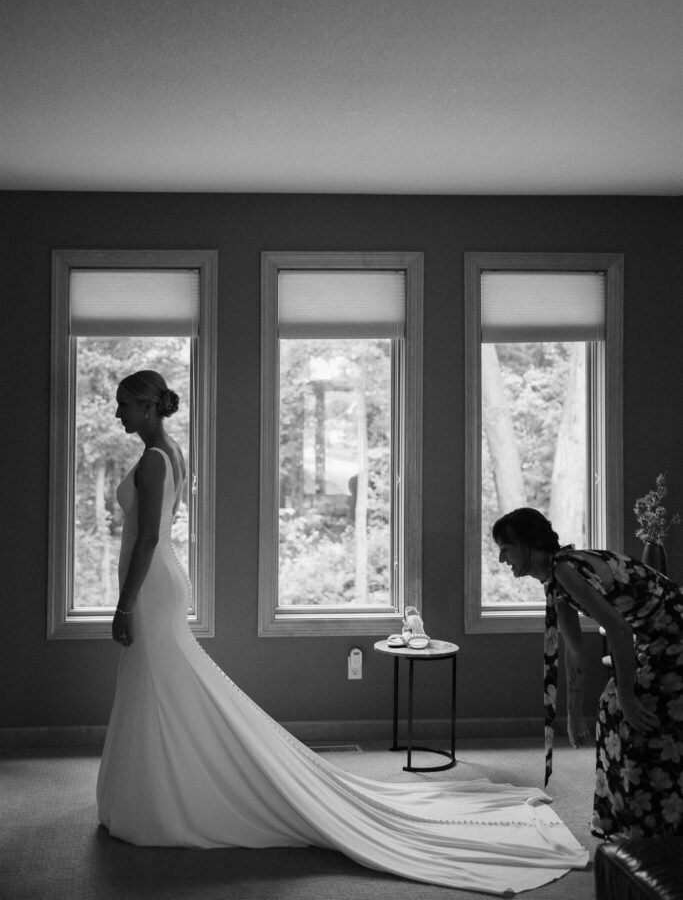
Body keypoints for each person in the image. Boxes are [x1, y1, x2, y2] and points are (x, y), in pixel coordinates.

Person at [97, 373, 589, 894]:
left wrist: (124, 604)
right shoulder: (171, 452)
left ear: (149, 406)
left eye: (124, 404)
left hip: (151, 588)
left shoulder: (156, 458)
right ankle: (161, 787)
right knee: (165, 687)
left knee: (165, 685)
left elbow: (148, 535)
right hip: (163, 584)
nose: (117, 414)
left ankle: (172, 793)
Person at [492, 507, 683, 840]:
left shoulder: (566, 570)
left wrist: (626, 693)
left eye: (505, 548)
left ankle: (647, 821)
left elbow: (619, 631)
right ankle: (626, 818)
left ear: (528, 543)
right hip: (656, 636)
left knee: (623, 711)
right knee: (613, 710)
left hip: (675, 632)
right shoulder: (556, 578)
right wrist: (573, 711)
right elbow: (575, 648)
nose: (501, 559)